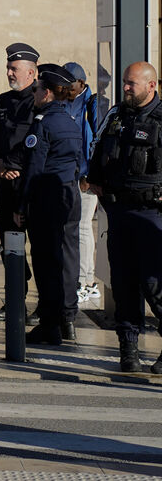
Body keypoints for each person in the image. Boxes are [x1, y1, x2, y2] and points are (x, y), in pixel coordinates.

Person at [85, 61, 162, 373]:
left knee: (154, 284)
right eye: (125, 82)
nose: (126, 88)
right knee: (124, 283)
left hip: (152, 215)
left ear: (151, 85)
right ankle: (128, 350)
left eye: (132, 83)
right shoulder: (116, 115)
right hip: (119, 213)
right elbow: (97, 148)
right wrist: (93, 179)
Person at [14, 63, 84, 346]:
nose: (33, 93)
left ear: (48, 93)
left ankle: (50, 325)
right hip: (70, 195)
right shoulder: (70, 122)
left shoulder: (42, 123)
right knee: (68, 258)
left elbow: (34, 168)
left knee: (46, 262)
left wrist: (21, 206)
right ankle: (67, 318)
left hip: (47, 199)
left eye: (37, 88)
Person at [0, 43, 39, 322]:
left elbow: (35, 142)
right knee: (10, 246)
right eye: (8, 67)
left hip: (31, 186)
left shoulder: (40, 100)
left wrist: (13, 165)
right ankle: (16, 300)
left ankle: (48, 308)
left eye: (14, 68)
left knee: (40, 250)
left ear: (31, 72)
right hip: (7, 185)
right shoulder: (3, 101)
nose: (9, 73)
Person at [63, 61, 107, 306]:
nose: (66, 90)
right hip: (67, 174)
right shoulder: (64, 101)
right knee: (73, 227)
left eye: (70, 86)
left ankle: (85, 281)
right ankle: (79, 279)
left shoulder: (92, 104)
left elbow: (97, 142)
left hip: (85, 177)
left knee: (82, 226)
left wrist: (90, 176)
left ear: (81, 83)